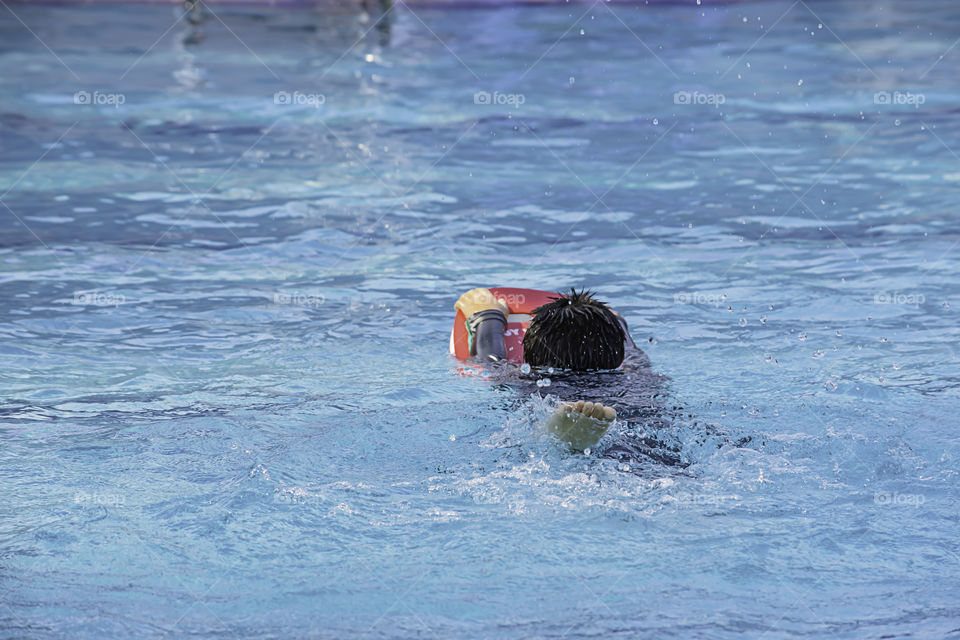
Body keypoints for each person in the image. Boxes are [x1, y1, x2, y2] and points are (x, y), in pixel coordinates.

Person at [454, 287, 680, 461]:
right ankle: (574, 440)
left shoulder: (524, 378)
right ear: (617, 354)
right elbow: (628, 346)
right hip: (646, 429)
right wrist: (614, 319)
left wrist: (487, 317)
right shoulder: (638, 372)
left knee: (558, 444)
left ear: (530, 356)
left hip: (557, 409)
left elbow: (490, 358)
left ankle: (567, 437)